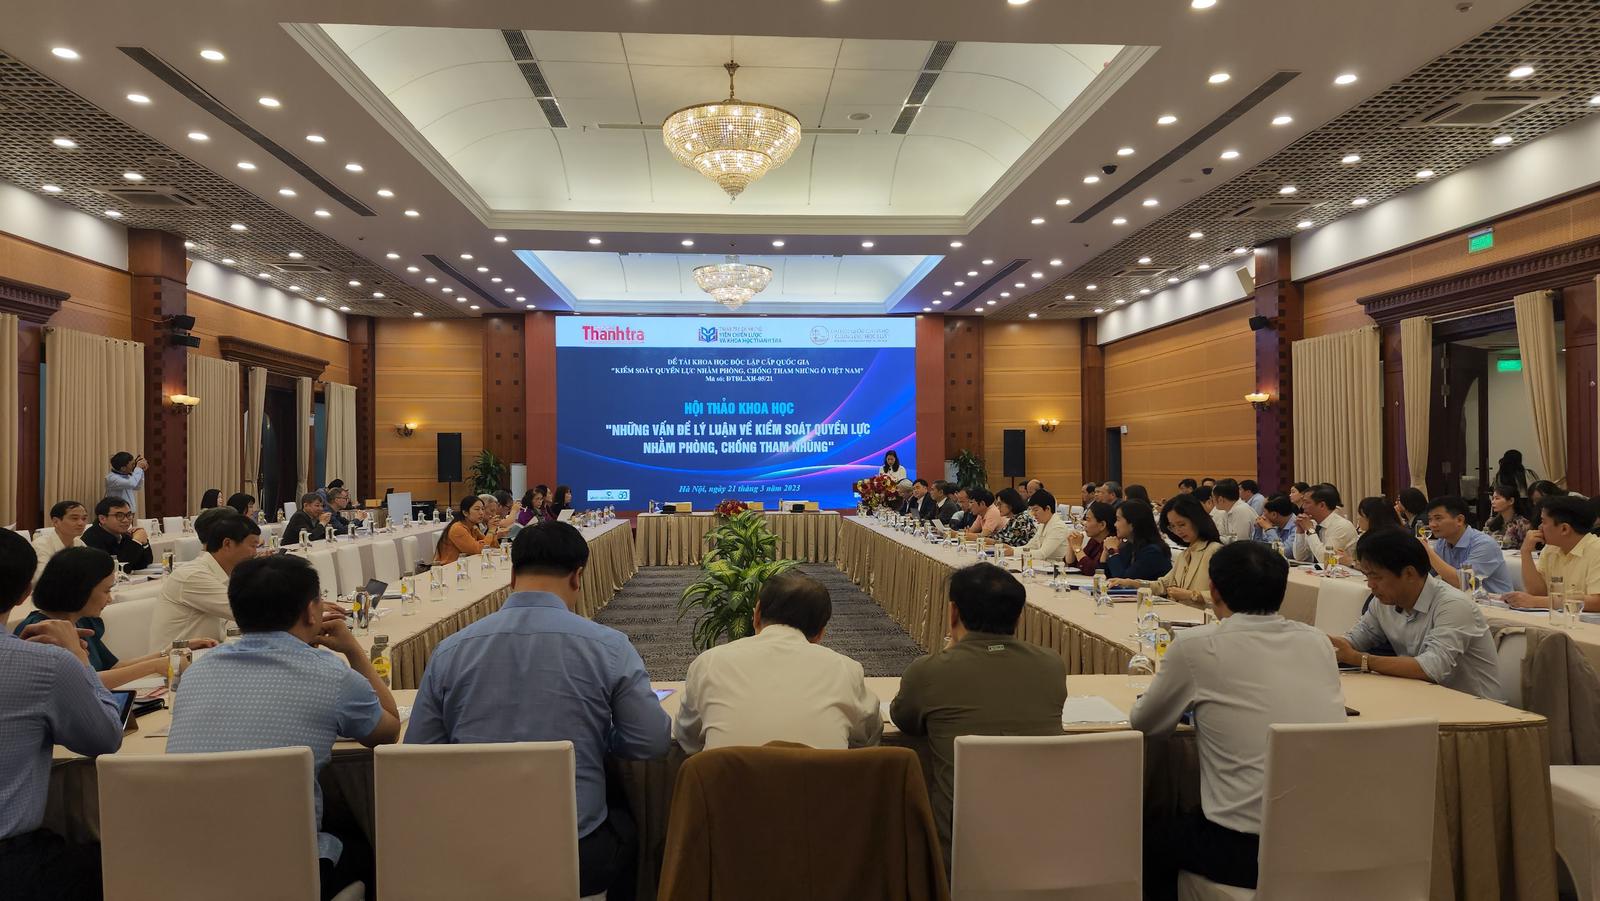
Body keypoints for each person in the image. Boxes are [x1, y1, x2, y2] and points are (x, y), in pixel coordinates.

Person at [408, 521, 669, 897]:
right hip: (575, 853)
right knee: (627, 823)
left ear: (512, 575)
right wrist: (599, 736)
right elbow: (652, 741)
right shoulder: (609, 647)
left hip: (472, 851)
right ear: (577, 577)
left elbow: (419, 755)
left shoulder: (450, 650)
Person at [168, 554, 401, 900]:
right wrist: (353, 649)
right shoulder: (330, 674)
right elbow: (388, 731)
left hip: (185, 864)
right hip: (285, 870)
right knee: (372, 843)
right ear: (310, 612)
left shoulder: (195, 672)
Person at [1134, 541, 1345, 898]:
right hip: (1325, 841)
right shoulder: (1318, 642)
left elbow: (1146, 725)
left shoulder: (1196, 645)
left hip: (1243, 849)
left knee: (1141, 837)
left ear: (1214, 590)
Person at [890, 563, 1067, 864]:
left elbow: (904, 720)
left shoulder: (930, 671)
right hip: (1046, 839)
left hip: (957, 852)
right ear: (1019, 616)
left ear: (953, 613)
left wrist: (949, 650)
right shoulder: (1052, 665)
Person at [0, 529, 123, 901]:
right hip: (13, 863)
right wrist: (78, 658)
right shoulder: (46, 662)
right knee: (128, 856)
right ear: (25, 592)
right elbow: (105, 737)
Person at [675, 571, 880, 753]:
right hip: (820, 785)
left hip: (727, 784)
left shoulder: (709, 663)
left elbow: (687, 738)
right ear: (820, 633)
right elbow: (869, 736)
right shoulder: (846, 670)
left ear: (756, 614)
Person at [1332, 529, 1503, 702]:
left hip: (1477, 708)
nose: (1370, 585)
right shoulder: (1383, 602)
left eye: (1376, 577)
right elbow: (1356, 639)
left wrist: (1361, 660)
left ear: (1409, 574)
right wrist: (1325, 645)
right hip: (1423, 698)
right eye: (1366, 576)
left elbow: (1431, 668)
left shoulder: (1453, 605)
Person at [18, 547, 216, 688]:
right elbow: (88, 682)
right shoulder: (41, 631)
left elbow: (115, 667)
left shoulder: (80, 621)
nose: (110, 599)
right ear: (80, 590)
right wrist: (154, 665)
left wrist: (169, 651)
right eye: (106, 591)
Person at [149, 511, 263, 647]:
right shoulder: (193, 575)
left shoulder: (225, 574)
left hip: (207, 653)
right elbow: (249, 612)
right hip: (178, 658)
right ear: (227, 544)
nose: (255, 553)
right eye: (253, 546)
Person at [1113, 495, 1220, 608]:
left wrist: (1191, 595)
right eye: (1172, 526)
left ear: (1197, 520)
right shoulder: (1184, 554)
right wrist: (1132, 583)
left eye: (1182, 524)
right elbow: (1162, 585)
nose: (1178, 531)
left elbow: (1227, 595)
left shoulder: (1214, 551)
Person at [1507, 496, 1600, 612]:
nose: (1539, 527)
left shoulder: (1596, 550)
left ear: (1564, 529)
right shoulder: (1551, 548)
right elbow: (1538, 592)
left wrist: (1536, 602)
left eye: (1543, 522)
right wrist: (1525, 552)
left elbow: (1597, 602)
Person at [1421, 495, 1511, 594]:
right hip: (1461, 599)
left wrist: (1427, 551)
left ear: (1459, 520)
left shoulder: (1484, 544)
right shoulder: (1441, 543)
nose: (1432, 525)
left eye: (1438, 518)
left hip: (1495, 601)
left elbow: (1464, 583)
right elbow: (1426, 575)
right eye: (1430, 519)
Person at [1103, 500, 1173, 581]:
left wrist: (1113, 552)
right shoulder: (1129, 546)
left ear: (1132, 524)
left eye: (1118, 520)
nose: (1115, 524)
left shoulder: (1153, 552)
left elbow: (1123, 581)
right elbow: (1105, 576)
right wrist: (1105, 553)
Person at [81, 496, 153, 572]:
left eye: (129, 515)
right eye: (119, 516)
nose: (126, 520)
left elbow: (144, 563)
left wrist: (144, 543)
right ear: (102, 519)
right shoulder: (91, 539)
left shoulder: (124, 534)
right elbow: (116, 570)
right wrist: (136, 542)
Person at [1292, 484, 1358, 564]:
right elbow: (1300, 557)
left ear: (1322, 505)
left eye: (1307, 502)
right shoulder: (1313, 524)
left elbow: (1325, 560)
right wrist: (1300, 531)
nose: (1303, 507)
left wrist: (1310, 530)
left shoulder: (1341, 526)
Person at [999, 490, 1068, 563]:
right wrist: (1011, 549)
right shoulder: (1043, 524)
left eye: (1036, 510)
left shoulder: (1058, 527)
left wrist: (1013, 552)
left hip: (1055, 566)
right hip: (1043, 564)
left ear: (1048, 508)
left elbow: (1042, 554)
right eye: (1032, 510)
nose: (1033, 514)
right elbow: (1030, 546)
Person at [31, 500, 89, 580]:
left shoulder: (79, 543)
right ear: (56, 522)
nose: (81, 523)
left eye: (84, 518)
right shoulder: (41, 546)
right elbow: (42, 579)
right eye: (75, 518)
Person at [434, 495, 498, 566]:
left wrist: (493, 530)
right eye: (477, 509)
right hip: (450, 567)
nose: (481, 513)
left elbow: (493, 546)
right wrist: (491, 530)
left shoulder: (473, 527)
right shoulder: (457, 528)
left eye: (483, 509)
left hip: (466, 564)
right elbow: (478, 550)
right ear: (465, 513)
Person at [1063, 500, 1115, 575]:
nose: (1085, 524)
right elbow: (1074, 565)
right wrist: (1071, 544)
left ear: (1102, 525)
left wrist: (1077, 548)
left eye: (1088, 520)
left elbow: (1093, 570)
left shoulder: (1111, 542)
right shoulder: (1094, 540)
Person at [1485, 485, 1534, 550]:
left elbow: (1529, 548)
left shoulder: (1523, 524)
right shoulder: (1490, 522)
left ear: (1511, 501)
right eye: (1493, 498)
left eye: (1497, 498)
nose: (1492, 502)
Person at [1211, 479, 1255, 544]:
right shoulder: (1228, 510)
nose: (1212, 500)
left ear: (1220, 499)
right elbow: (1227, 537)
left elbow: (1240, 543)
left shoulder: (1240, 510)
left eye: (1213, 497)